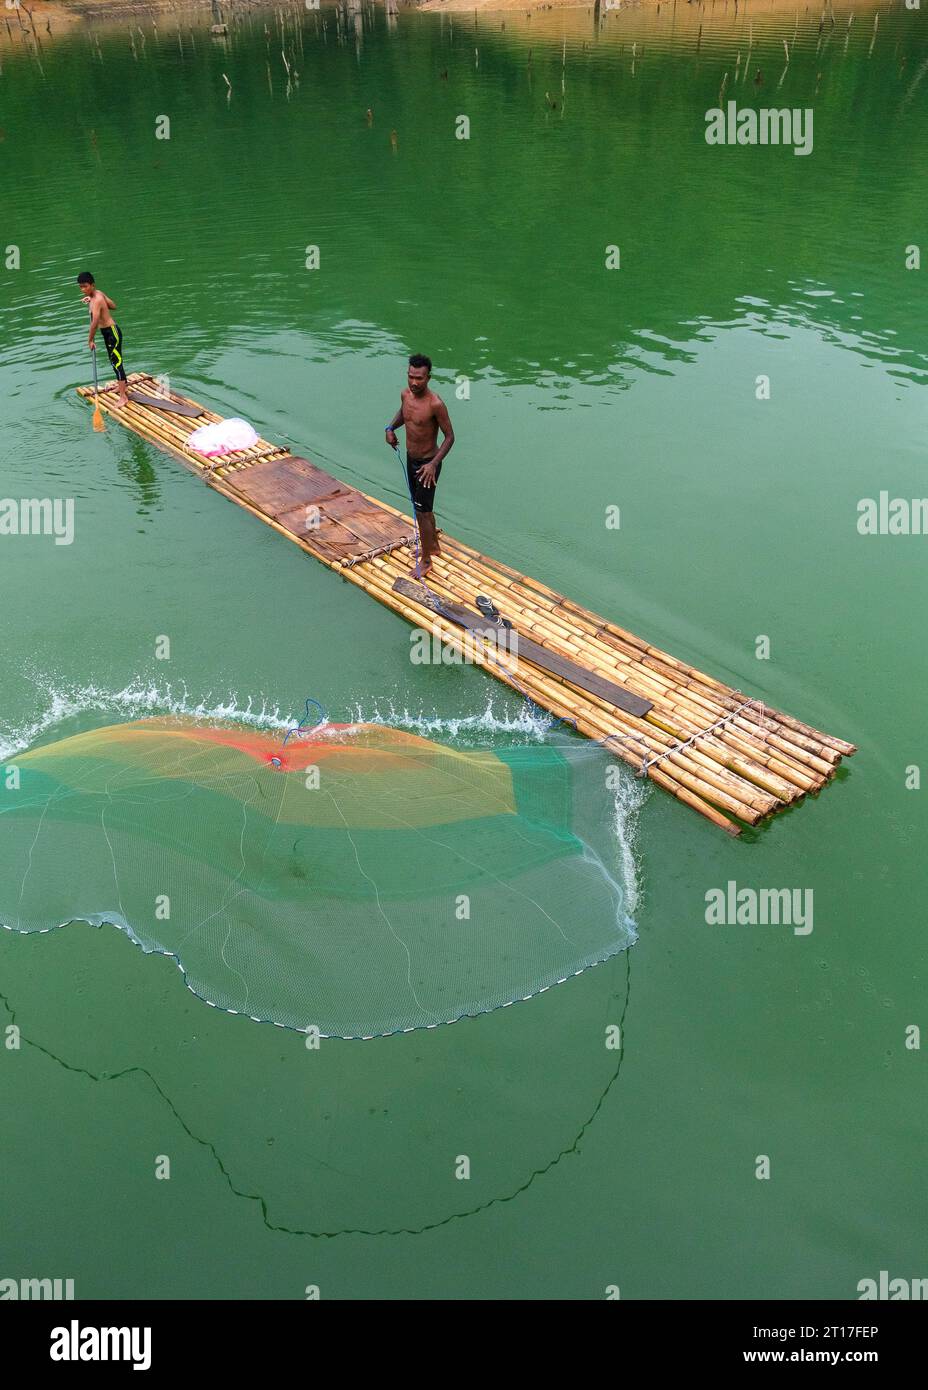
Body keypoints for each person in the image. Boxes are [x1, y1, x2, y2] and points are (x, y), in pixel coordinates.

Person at [385, 353, 454, 577]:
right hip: (411, 458)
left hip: (427, 465)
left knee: (422, 512)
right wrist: (390, 428)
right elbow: (404, 415)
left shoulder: (435, 404)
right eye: (411, 377)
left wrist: (433, 464)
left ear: (428, 378)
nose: (414, 383)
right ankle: (432, 546)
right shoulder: (406, 395)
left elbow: (450, 437)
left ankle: (425, 562)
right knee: (423, 508)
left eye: (420, 378)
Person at [78, 271, 129, 407]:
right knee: (114, 361)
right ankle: (122, 387)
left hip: (112, 333)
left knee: (117, 364)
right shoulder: (98, 294)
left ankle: (123, 397)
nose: (83, 290)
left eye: (85, 286)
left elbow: (94, 323)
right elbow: (113, 306)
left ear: (92, 285)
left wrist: (90, 340)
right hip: (108, 333)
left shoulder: (97, 299)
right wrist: (92, 299)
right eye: (81, 287)